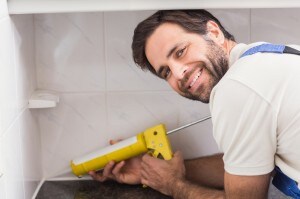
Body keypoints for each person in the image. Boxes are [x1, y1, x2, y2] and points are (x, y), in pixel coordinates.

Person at [89, 10, 300, 198]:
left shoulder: (236, 87)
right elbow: (250, 162)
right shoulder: (272, 58)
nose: (178, 74)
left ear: (214, 33)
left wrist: (172, 184)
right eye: (166, 72)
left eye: (180, 51)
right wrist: (155, 171)